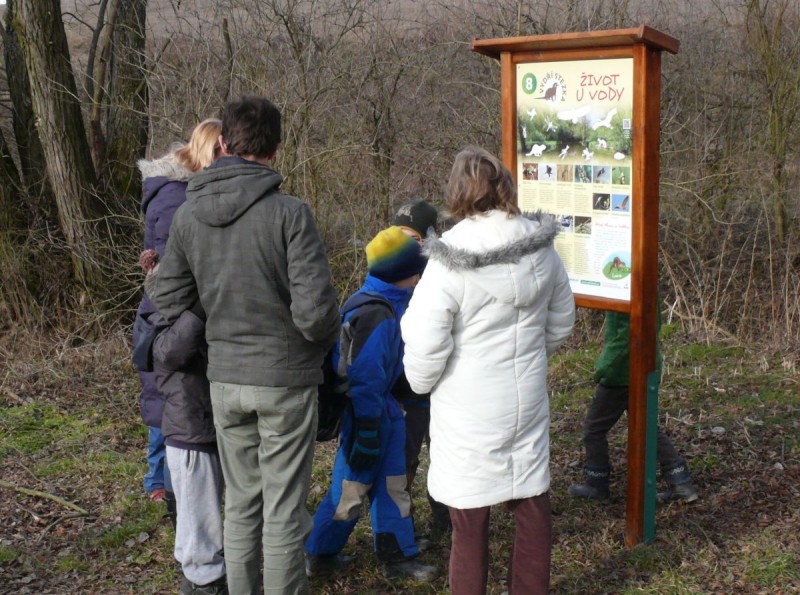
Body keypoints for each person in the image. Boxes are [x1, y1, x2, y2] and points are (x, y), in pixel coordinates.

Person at [151, 96, 340, 595]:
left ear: (225, 144)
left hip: (225, 380)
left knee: (239, 504)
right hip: (284, 381)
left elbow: (166, 295)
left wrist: (217, 308)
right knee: (281, 509)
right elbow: (316, 314)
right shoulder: (291, 215)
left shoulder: (190, 216)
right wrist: (319, 347)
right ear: (277, 148)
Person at [401, 146, 575, 595]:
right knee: (532, 507)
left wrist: (421, 384)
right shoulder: (542, 250)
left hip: (467, 408)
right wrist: (528, 358)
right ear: (505, 187)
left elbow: (425, 342)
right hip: (526, 398)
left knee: (469, 518)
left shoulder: (447, 261)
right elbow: (561, 321)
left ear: (459, 192)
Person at [304, 226, 438, 583]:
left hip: (389, 414)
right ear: (404, 276)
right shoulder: (375, 314)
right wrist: (365, 429)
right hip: (366, 418)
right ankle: (319, 553)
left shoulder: (392, 302)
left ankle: (398, 556)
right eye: (417, 272)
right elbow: (363, 378)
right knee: (349, 493)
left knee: (394, 486)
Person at [133, 118, 222, 516]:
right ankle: (171, 496)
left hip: (171, 317)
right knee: (174, 412)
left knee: (171, 408)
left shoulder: (179, 191)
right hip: (170, 319)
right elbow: (173, 274)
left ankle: (168, 490)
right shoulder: (176, 196)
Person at [140, 250, 227, 595]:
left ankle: (198, 577)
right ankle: (204, 581)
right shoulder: (164, 320)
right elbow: (170, 352)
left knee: (200, 515)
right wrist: (200, 308)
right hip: (188, 432)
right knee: (198, 516)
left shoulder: (179, 317)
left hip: (200, 427)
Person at [568, 310, 699, 503]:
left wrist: (603, 369)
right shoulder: (645, 284)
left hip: (621, 373)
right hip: (645, 365)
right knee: (647, 428)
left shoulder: (626, 290)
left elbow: (625, 337)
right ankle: (681, 482)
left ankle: (596, 485)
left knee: (593, 430)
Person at [390, 198, 451, 538]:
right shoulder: (385, 271)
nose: (404, 244)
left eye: (412, 238)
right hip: (404, 388)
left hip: (441, 385)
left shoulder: (445, 273)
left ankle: (446, 520)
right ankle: (404, 528)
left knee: (443, 455)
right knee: (405, 460)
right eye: (397, 234)